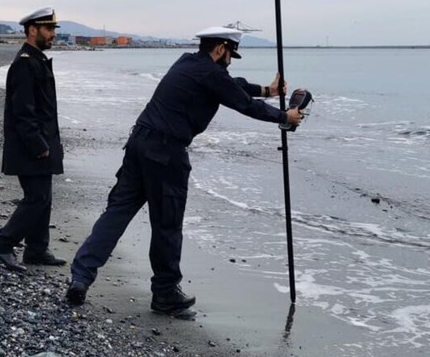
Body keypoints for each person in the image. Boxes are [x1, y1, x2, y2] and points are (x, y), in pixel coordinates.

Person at [66, 26, 303, 312]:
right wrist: (284, 116)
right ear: (220, 49)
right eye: (230, 54)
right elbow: (242, 103)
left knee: (117, 211)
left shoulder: (187, 62)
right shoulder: (212, 74)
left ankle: (80, 277)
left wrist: (268, 90)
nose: (230, 60)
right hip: (166, 153)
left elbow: (232, 84)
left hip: (138, 142)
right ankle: (165, 292)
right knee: (167, 223)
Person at [0, 7, 66, 272]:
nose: (53, 34)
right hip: (31, 146)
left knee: (45, 198)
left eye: (54, 29)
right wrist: (39, 145)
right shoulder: (24, 63)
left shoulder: (37, 60)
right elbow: (22, 112)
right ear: (33, 30)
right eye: (49, 29)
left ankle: (36, 249)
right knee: (37, 198)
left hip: (42, 142)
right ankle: (1, 243)